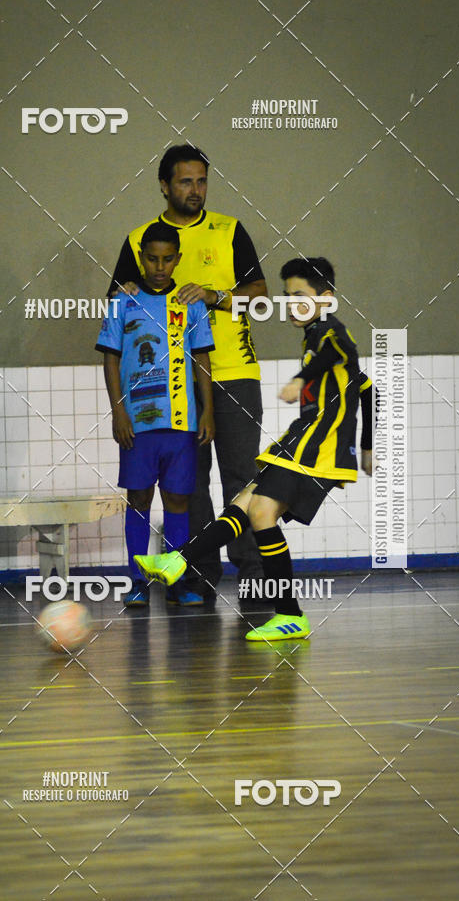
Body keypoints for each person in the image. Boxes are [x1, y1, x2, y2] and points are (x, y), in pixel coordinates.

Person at [134, 257, 375, 639]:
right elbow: (367, 388)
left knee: (262, 512)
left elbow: (334, 356)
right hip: (300, 441)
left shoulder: (331, 331)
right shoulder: (314, 335)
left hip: (319, 449)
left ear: (326, 299)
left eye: (301, 296)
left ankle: (289, 613)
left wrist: (301, 378)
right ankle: (177, 562)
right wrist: (367, 447)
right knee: (245, 502)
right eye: (288, 296)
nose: (292, 304)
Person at [108, 144, 267, 601]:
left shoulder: (229, 230)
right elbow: (117, 299)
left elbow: (259, 293)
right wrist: (131, 286)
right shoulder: (142, 237)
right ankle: (196, 573)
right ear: (164, 185)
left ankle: (253, 574)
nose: (195, 190)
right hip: (171, 382)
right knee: (189, 483)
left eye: (201, 181)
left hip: (234, 372)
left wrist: (216, 295)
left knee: (240, 476)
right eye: (185, 181)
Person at [96, 221, 215, 606]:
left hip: (181, 421)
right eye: (152, 259)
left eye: (167, 259)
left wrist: (208, 411)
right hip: (138, 422)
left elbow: (202, 359)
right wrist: (118, 412)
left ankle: (176, 579)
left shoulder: (190, 303)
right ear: (141, 259)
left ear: (178, 259)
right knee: (139, 498)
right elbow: (111, 359)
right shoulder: (122, 301)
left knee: (178, 501)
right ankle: (137, 581)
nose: (159, 266)